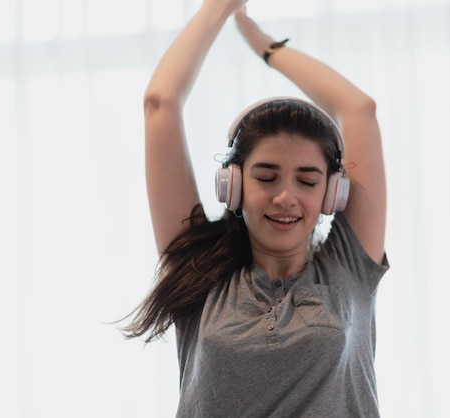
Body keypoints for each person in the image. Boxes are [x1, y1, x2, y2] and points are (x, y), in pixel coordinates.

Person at [122, 0, 388, 416]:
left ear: (331, 193)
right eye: (266, 177)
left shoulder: (349, 268)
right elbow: (160, 103)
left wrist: (266, 46)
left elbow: (359, 110)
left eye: (307, 180)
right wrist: (219, 9)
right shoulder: (198, 270)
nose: (286, 196)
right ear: (233, 185)